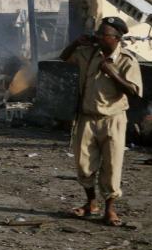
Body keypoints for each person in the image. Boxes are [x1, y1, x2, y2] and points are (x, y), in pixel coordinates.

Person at [60, 16, 142, 227]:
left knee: (112, 166)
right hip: (87, 118)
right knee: (84, 165)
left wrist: (113, 73)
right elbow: (64, 57)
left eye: (102, 34)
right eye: (97, 33)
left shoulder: (127, 60)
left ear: (116, 38)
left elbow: (134, 92)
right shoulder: (88, 55)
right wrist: (76, 42)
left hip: (113, 119)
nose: (97, 37)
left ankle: (110, 210)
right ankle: (90, 203)